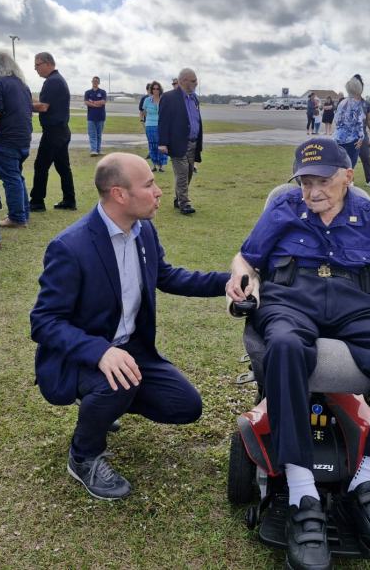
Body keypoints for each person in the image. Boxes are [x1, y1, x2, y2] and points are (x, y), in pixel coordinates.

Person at [226, 138, 370, 567]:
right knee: (283, 346)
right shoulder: (284, 208)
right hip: (291, 298)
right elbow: (246, 258)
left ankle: (368, 483)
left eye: (322, 180)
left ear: (348, 176)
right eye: (304, 181)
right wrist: (240, 278)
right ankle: (303, 495)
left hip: (353, 301)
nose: (311, 191)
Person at [30, 152, 228, 500]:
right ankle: (83, 455)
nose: (159, 192)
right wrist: (100, 352)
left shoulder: (143, 231)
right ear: (119, 194)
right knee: (115, 384)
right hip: (81, 356)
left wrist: (228, 282)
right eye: (149, 184)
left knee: (185, 406)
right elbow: (44, 321)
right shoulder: (70, 247)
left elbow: (166, 276)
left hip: (131, 350)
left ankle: (104, 406)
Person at [0, 51, 33, 227]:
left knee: (11, 178)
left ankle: (16, 217)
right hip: (23, 138)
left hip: (6, 139)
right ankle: (23, 212)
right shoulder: (23, 85)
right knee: (16, 177)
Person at [30, 52, 75, 212]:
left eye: (37, 65)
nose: (35, 69)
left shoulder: (52, 82)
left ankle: (37, 201)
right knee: (63, 167)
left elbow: (43, 107)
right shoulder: (58, 80)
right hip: (62, 131)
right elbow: (44, 103)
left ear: (48, 63)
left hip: (53, 132)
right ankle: (69, 199)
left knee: (41, 165)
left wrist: (24, 105)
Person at [158, 68, 203, 215]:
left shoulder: (194, 98)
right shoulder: (169, 97)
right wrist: (162, 143)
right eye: (194, 80)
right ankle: (184, 203)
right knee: (182, 173)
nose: (196, 83)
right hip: (177, 142)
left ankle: (178, 198)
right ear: (184, 81)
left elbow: (196, 119)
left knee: (189, 172)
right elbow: (163, 121)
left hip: (193, 143)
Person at [332, 77, 365, 169]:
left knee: (339, 165)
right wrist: (361, 137)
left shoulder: (342, 102)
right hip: (352, 139)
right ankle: (347, 182)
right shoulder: (357, 104)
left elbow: (336, 120)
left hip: (338, 138)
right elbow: (359, 123)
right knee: (349, 166)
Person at [353, 74, 370, 188]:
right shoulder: (345, 102)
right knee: (349, 159)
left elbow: (369, 118)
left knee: (366, 157)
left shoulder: (366, 103)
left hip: (362, 135)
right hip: (348, 135)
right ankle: (349, 181)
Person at [142, 81, 167, 172]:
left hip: (161, 125)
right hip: (150, 125)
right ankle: (154, 165)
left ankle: (162, 165)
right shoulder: (147, 100)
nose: (155, 90)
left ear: (160, 90)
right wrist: (143, 121)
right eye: (154, 88)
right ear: (151, 90)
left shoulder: (163, 99)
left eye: (157, 88)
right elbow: (143, 112)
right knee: (152, 145)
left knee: (162, 144)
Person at [85, 76, 107, 156]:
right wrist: (96, 104)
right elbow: (86, 102)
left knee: (99, 134)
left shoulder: (102, 92)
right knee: (92, 134)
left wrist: (92, 102)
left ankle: (98, 150)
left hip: (101, 117)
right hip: (91, 117)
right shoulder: (87, 92)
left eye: (97, 81)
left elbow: (103, 102)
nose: (95, 82)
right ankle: (93, 150)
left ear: (99, 82)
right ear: (92, 82)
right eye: (94, 81)